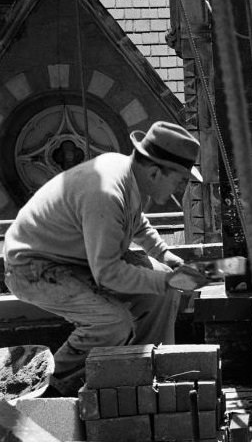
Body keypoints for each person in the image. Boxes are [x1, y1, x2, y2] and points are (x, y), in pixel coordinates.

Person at [2, 120, 211, 395]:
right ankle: (48, 390)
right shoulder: (107, 192)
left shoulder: (130, 175)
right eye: (180, 179)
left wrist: (166, 256)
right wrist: (167, 281)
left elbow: (135, 221)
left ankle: (148, 376)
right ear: (155, 172)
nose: (182, 188)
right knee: (112, 323)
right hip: (33, 266)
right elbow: (108, 273)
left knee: (162, 291)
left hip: (76, 257)